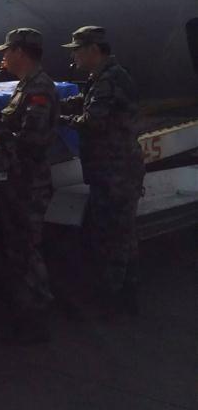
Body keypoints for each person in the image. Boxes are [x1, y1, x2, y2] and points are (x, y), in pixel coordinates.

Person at [58, 26, 144, 316]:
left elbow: (92, 120)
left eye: (77, 49)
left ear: (94, 50)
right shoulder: (108, 77)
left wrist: (61, 119)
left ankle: (112, 299)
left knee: (111, 235)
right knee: (124, 233)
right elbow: (87, 101)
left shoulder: (108, 80)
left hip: (114, 170)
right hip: (118, 167)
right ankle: (126, 295)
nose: (74, 55)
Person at [0, 28, 56, 342]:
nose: (3, 56)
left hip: (28, 182)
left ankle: (36, 317)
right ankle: (25, 312)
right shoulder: (26, 86)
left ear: (21, 52)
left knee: (26, 250)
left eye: (8, 50)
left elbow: (31, 137)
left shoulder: (39, 88)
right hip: (19, 181)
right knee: (18, 248)